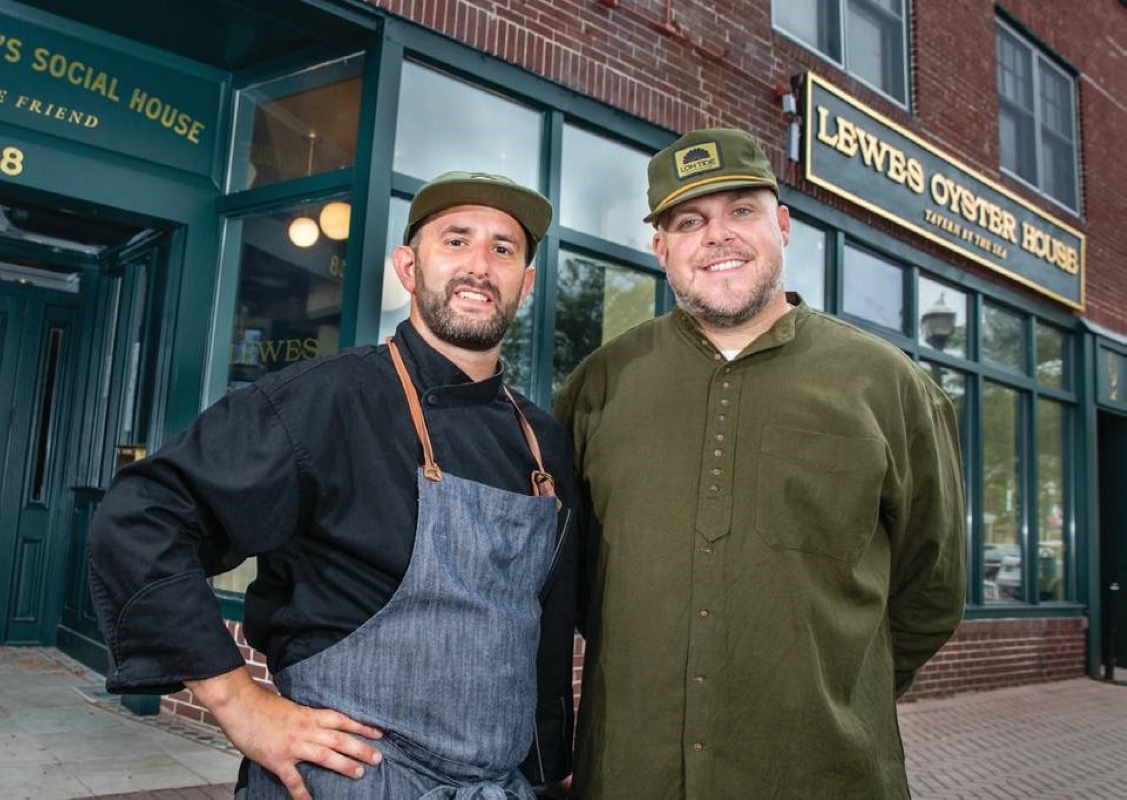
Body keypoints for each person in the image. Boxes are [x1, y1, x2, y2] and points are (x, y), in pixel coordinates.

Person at [89, 171, 580, 799]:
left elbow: (544, 629)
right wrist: (239, 703)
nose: (480, 265)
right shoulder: (324, 401)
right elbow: (140, 517)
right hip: (347, 783)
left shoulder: (543, 441)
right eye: (455, 241)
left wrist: (547, 770)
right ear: (408, 267)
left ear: (526, 283)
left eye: (503, 248)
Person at [554, 128, 967, 799]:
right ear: (661, 249)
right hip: (630, 772)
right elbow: (567, 574)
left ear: (782, 224)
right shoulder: (599, 385)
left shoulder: (887, 384)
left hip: (820, 776)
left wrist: (833, 691)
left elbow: (932, 588)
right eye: (690, 221)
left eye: (741, 210)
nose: (717, 236)